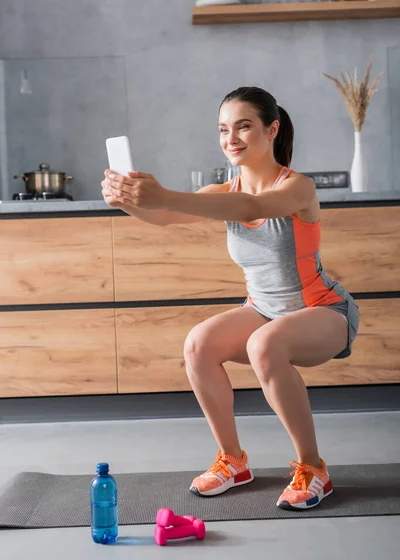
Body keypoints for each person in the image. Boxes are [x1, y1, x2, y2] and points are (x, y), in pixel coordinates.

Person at [102, 86, 359, 511]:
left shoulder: (298, 188)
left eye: (244, 126)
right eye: (224, 129)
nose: (231, 138)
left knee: (265, 343)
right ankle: (233, 462)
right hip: (262, 311)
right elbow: (165, 216)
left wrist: (163, 193)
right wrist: (128, 201)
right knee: (198, 344)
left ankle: (313, 469)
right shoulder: (222, 192)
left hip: (323, 311)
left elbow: (249, 206)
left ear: (272, 129)